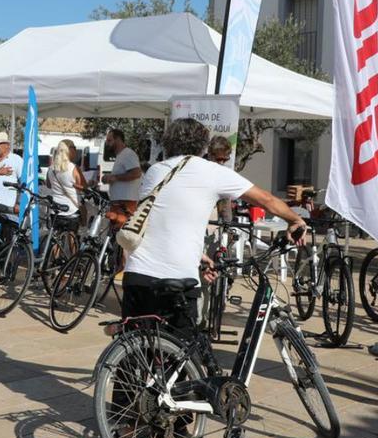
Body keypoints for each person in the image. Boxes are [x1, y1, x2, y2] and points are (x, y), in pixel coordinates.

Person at [122, 118, 306, 339]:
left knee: (135, 352)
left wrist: (198, 254)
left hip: (138, 274)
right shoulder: (212, 172)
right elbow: (266, 200)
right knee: (179, 356)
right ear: (203, 146)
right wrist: (295, 220)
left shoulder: (155, 171)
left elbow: (160, 222)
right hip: (178, 279)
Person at [101, 129, 142, 229]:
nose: (107, 144)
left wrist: (115, 177)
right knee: (114, 236)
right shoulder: (121, 156)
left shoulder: (128, 154)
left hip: (125, 204)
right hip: (119, 203)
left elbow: (136, 173)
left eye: (109, 140)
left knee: (121, 237)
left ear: (118, 139)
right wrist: (108, 178)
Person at [46, 140, 85, 231]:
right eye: (74, 148)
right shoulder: (73, 168)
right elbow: (83, 187)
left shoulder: (51, 168)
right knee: (72, 238)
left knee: (56, 237)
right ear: (69, 150)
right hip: (71, 208)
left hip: (55, 208)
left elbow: (48, 185)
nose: (76, 151)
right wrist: (91, 183)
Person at [206, 136, 234, 222]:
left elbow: (225, 210)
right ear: (210, 154)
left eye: (225, 160)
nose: (222, 163)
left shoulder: (222, 174)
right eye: (219, 159)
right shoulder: (197, 167)